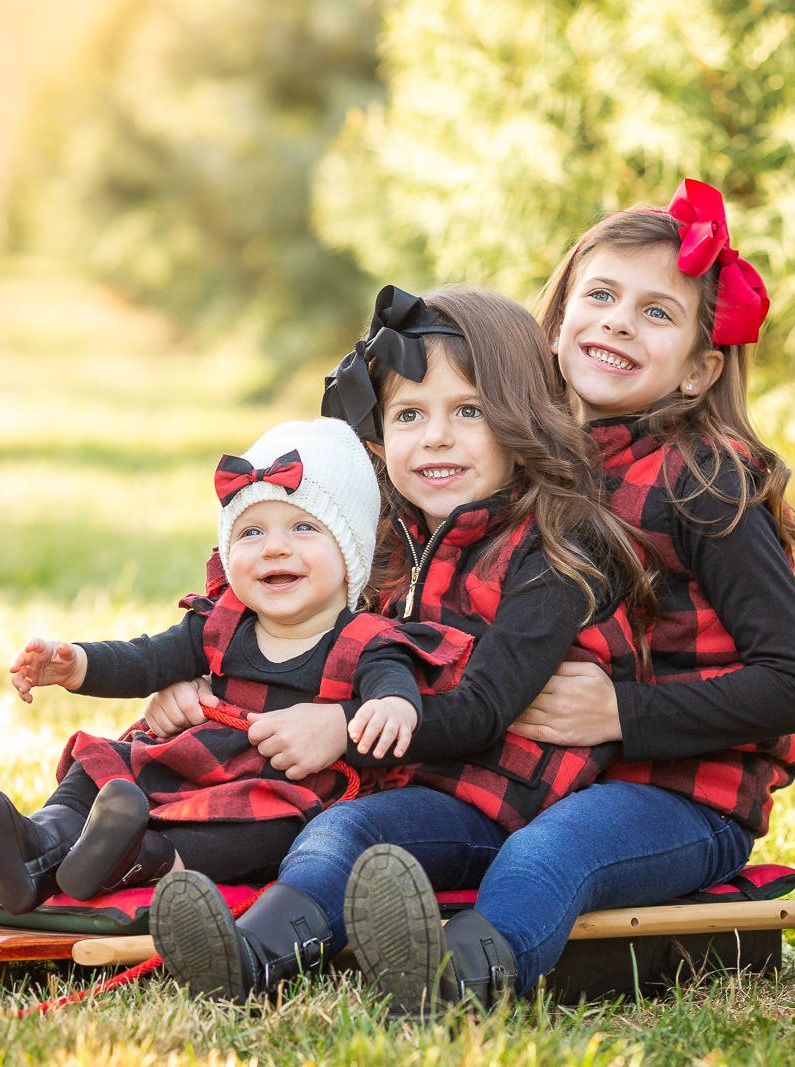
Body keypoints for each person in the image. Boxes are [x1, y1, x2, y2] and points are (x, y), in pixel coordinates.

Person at [333, 178, 795, 1011]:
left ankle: (457, 986)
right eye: (599, 294)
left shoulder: (704, 480)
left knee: (548, 857)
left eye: (657, 312)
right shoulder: (520, 457)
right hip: (534, 779)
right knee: (377, 827)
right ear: (557, 321)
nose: (617, 321)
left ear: (701, 367)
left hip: (678, 794)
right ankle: (289, 936)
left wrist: (620, 713)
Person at [148, 284, 650, 1000]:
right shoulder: (391, 534)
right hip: (407, 783)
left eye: (468, 411)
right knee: (322, 828)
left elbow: (483, 709)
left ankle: (454, 978)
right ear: (379, 433)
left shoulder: (556, 555)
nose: (434, 437)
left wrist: (344, 726)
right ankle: (249, 955)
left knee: (355, 830)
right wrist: (201, 671)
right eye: (410, 414)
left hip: (502, 801)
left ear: (522, 421)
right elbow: (282, 603)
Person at [0, 417, 474, 917]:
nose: (273, 549)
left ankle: (114, 857)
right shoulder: (219, 623)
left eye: (302, 529)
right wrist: (74, 662)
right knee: (99, 770)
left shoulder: (370, 639)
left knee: (257, 828)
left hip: (257, 795)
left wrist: (386, 710)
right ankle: (0, 853)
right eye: (251, 532)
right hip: (175, 767)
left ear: (350, 551)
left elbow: (394, 692)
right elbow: (144, 658)